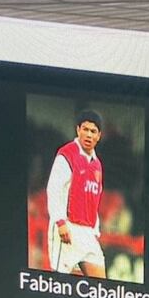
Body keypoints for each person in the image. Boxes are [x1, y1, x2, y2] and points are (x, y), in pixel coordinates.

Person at [46, 109, 107, 279]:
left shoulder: (97, 165)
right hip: (67, 228)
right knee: (60, 287)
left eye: (93, 131)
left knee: (101, 287)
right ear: (78, 130)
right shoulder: (67, 154)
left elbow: (94, 199)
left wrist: (95, 230)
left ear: (99, 136)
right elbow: (54, 189)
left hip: (87, 233)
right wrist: (60, 222)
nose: (88, 135)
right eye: (85, 129)